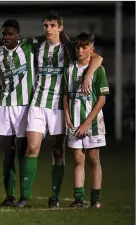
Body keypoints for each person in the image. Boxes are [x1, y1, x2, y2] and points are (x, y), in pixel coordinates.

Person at [18, 11, 103, 208]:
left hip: (59, 105)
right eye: (46, 25)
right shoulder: (37, 47)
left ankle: (54, 197)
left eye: (53, 26)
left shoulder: (69, 49)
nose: (49, 29)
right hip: (38, 103)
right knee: (32, 148)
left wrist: (89, 75)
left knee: (58, 151)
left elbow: (97, 58)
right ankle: (25, 196)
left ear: (60, 28)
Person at [0, 19, 37, 206]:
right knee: (7, 153)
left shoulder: (29, 45)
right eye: (4, 34)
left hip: (24, 106)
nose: (6, 37)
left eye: (10, 34)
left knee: (23, 152)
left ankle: (25, 196)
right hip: (5, 106)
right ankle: (9, 196)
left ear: (18, 35)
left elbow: (55, 39)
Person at [63, 32, 109, 209]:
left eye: (84, 47)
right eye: (78, 47)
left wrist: (86, 123)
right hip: (74, 121)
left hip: (93, 122)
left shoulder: (98, 70)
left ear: (92, 49)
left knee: (93, 159)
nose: (80, 50)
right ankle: (78, 199)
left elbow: (102, 100)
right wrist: (67, 115)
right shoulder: (70, 69)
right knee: (77, 158)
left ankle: (95, 199)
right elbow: (66, 96)